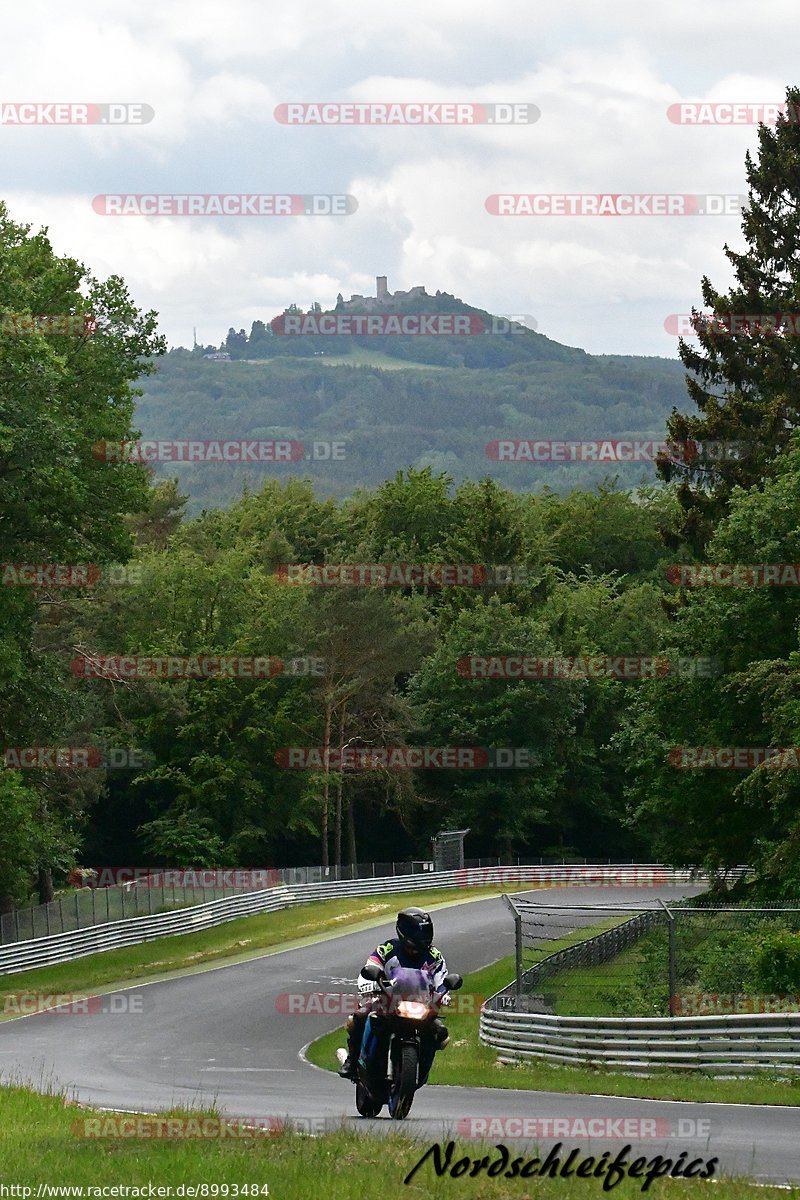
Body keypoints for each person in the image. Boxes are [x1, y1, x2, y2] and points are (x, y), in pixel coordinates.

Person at [338, 906, 452, 1083]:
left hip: (420, 1004)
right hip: (386, 1000)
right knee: (359, 1017)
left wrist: (443, 993)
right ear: (404, 932)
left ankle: (422, 1069)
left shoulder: (434, 956)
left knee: (441, 1033)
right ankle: (352, 1061)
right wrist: (370, 984)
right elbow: (370, 967)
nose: (419, 944)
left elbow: (442, 980)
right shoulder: (387, 949)